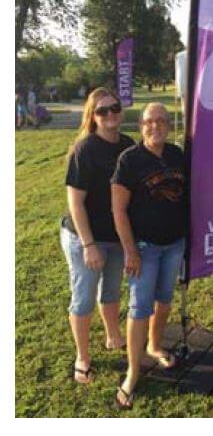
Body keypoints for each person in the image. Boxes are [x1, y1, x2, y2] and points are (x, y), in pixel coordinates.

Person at [109, 102, 187, 409]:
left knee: (164, 299)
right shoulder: (130, 160)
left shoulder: (177, 154)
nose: (156, 126)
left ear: (169, 125)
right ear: (141, 126)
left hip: (175, 244)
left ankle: (154, 346)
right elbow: (118, 209)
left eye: (162, 121)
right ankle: (133, 371)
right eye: (149, 122)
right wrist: (130, 250)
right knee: (140, 307)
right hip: (144, 248)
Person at [62, 87, 134, 385]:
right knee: (83, 298)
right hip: (85, 237)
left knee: (112, 291)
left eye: (114, 107)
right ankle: (83, 356)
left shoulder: (129, 145)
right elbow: (75, 203)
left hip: (116, 236)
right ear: (93, 116)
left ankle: (113, 336)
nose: (110, 114)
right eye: (102, 110)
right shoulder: (85, 149)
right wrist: (89, 245)